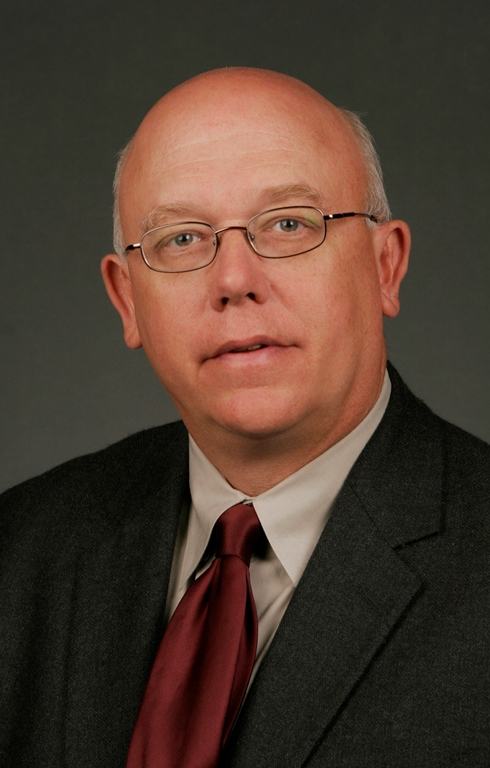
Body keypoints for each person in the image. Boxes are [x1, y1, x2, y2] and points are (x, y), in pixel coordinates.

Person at [1, 67, 489, 768]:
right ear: (127, 300)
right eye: (181, 239)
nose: (233, 280)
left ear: (386, 265)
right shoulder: (21, 552)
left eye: (289, 224)